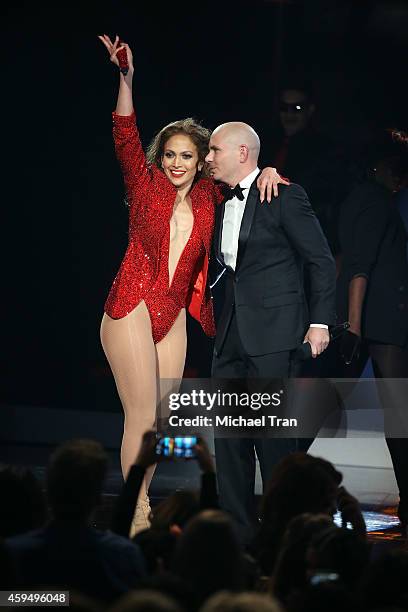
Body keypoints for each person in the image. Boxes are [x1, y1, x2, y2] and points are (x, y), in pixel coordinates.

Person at [97, 35, 286, 535]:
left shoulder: (208, 196)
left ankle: (140, 502)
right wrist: (126, 78)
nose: (177, 162)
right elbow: (124, 131)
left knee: (160, 423)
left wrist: (267, 167)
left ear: (201, 159)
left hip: (173, 314)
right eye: (170, 154)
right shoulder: (144, 184)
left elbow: (243, 172)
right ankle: (136, 510)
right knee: (139, 412)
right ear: (161, 158)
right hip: (132, 303)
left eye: (188, 155)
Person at [205, 121, 336, 543]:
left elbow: (321, 261)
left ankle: (285, 537)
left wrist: (319, 323)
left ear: (243, 152)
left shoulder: (283, 194)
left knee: (273, 441)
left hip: (275, 335)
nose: (208, 158)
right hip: (230, 336)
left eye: (214, 150)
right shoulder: (218, 202)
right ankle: (239, 537)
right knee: (230, 441)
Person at [336, 128, 408, 531]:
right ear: (380, 166)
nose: (400, 180)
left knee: (399, 415)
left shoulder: (371, 200)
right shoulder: (371, 201)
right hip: (377, 324)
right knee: (400, 415)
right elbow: (356, 266)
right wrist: (354, 326)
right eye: (396, 170)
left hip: (378, 323)